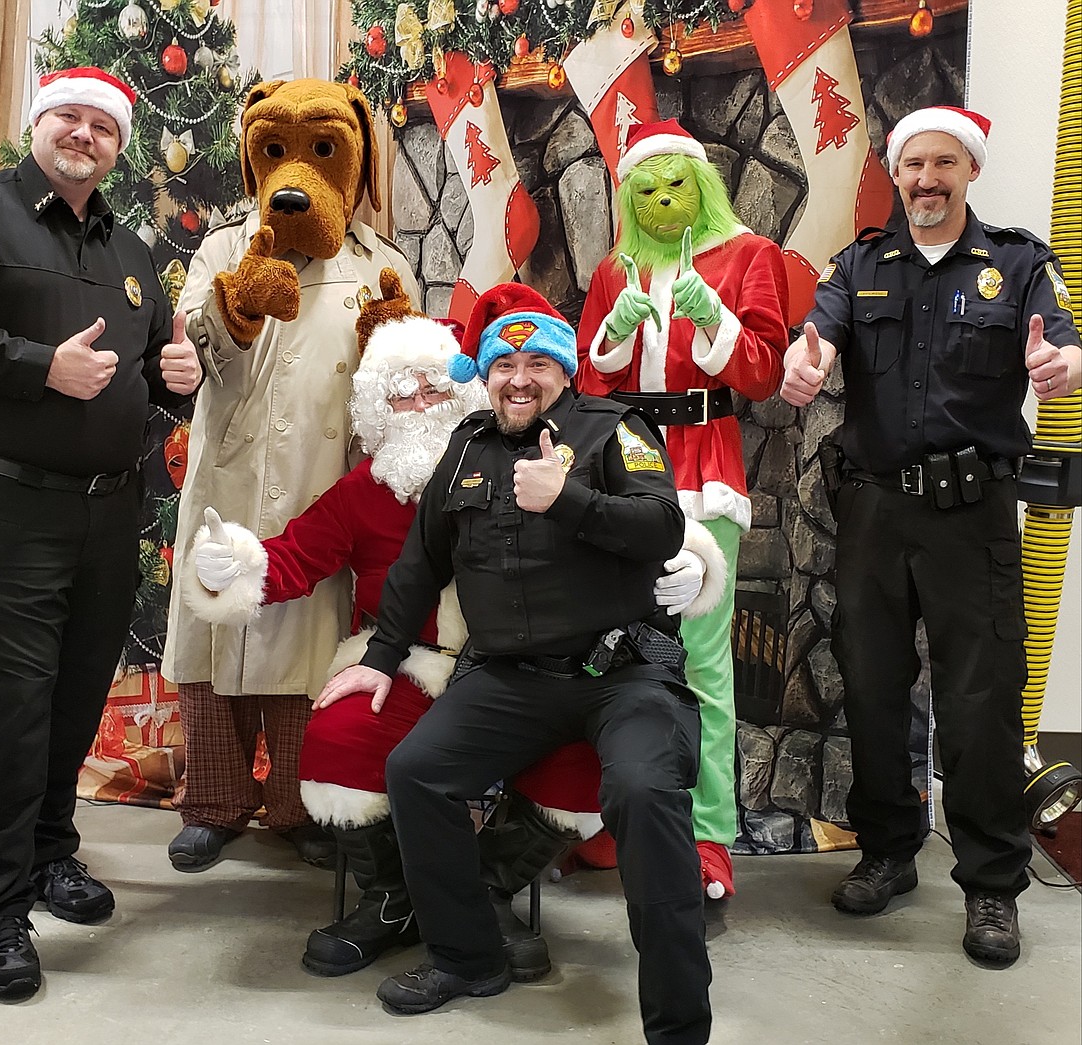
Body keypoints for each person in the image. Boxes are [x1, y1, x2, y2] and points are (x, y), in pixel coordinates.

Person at [185, 273, 724, 985]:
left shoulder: (588, 434)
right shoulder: (403, 476)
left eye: (433, 388)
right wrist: (237, 568)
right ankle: (401, 903)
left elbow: (657, 520)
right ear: (380, 407)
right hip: (438, 663)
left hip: (569, 668)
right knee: (361, 742)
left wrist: (686, 565)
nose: (419, 405)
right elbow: (354, 559)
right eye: (400, 393)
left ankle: (486, 889)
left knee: (608, 772)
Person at [318, 283, 716, 1044]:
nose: (520, 377)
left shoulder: (612, 430)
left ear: (564, 372)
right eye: (505, 363)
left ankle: (677, 1023)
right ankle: (469, 954)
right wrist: (380, 655)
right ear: (486, 372)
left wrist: (568, 500)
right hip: (509, 677)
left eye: (538, 362)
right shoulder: (466, 447)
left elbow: (663, 524)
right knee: (417, 769)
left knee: (642, 790)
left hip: (621, 674)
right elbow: (418, 562)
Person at [0, 66, 202, 999]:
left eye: (104, 126)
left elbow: (144, 377)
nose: (85, 135)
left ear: (119, 143)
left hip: (108, 510)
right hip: (4, 507)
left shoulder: (133, 248)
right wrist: (40, 367)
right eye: (69, 118)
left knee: (76, 700)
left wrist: (179, 377)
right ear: (38, 123)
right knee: (7, 712)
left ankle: (47, 856)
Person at [779, 105, 1081, 966]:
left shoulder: (1018, 263)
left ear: (968, 171)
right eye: (913, 165)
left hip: (973, 514)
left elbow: (1064, 346)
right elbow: (817, 340)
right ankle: (886, 852)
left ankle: (991, 885)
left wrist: (1063, 367)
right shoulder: (861, 263)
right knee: (874, 686)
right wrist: (806, 366)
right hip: (873, 510)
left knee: (980, 699)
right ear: (898, 173)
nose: (926, 180)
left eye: (943, 163)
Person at [161, 79, 419, 874]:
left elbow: (410, 377)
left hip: (323, 483)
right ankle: (213, 800)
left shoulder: (380, 261)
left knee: (307, 652)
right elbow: (195, 345)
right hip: (230, 476)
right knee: (216, 634)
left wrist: (396, 340)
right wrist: (233, 306)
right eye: (276, 151)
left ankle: (298, 803)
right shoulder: (221, 247)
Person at [576, 118, 789, 898]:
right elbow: (589, 388)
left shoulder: (750, 258)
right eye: (648, 190)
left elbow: (763, 376)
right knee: (610, 650)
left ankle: (707, 841)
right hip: (624, 471)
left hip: (707, 472)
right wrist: (609, 334)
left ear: (702, 188)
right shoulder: (613, 269)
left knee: (702, 663)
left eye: (677, 186)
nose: (665, 200)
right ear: (631, 197)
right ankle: (610, 817)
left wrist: (714, 319)